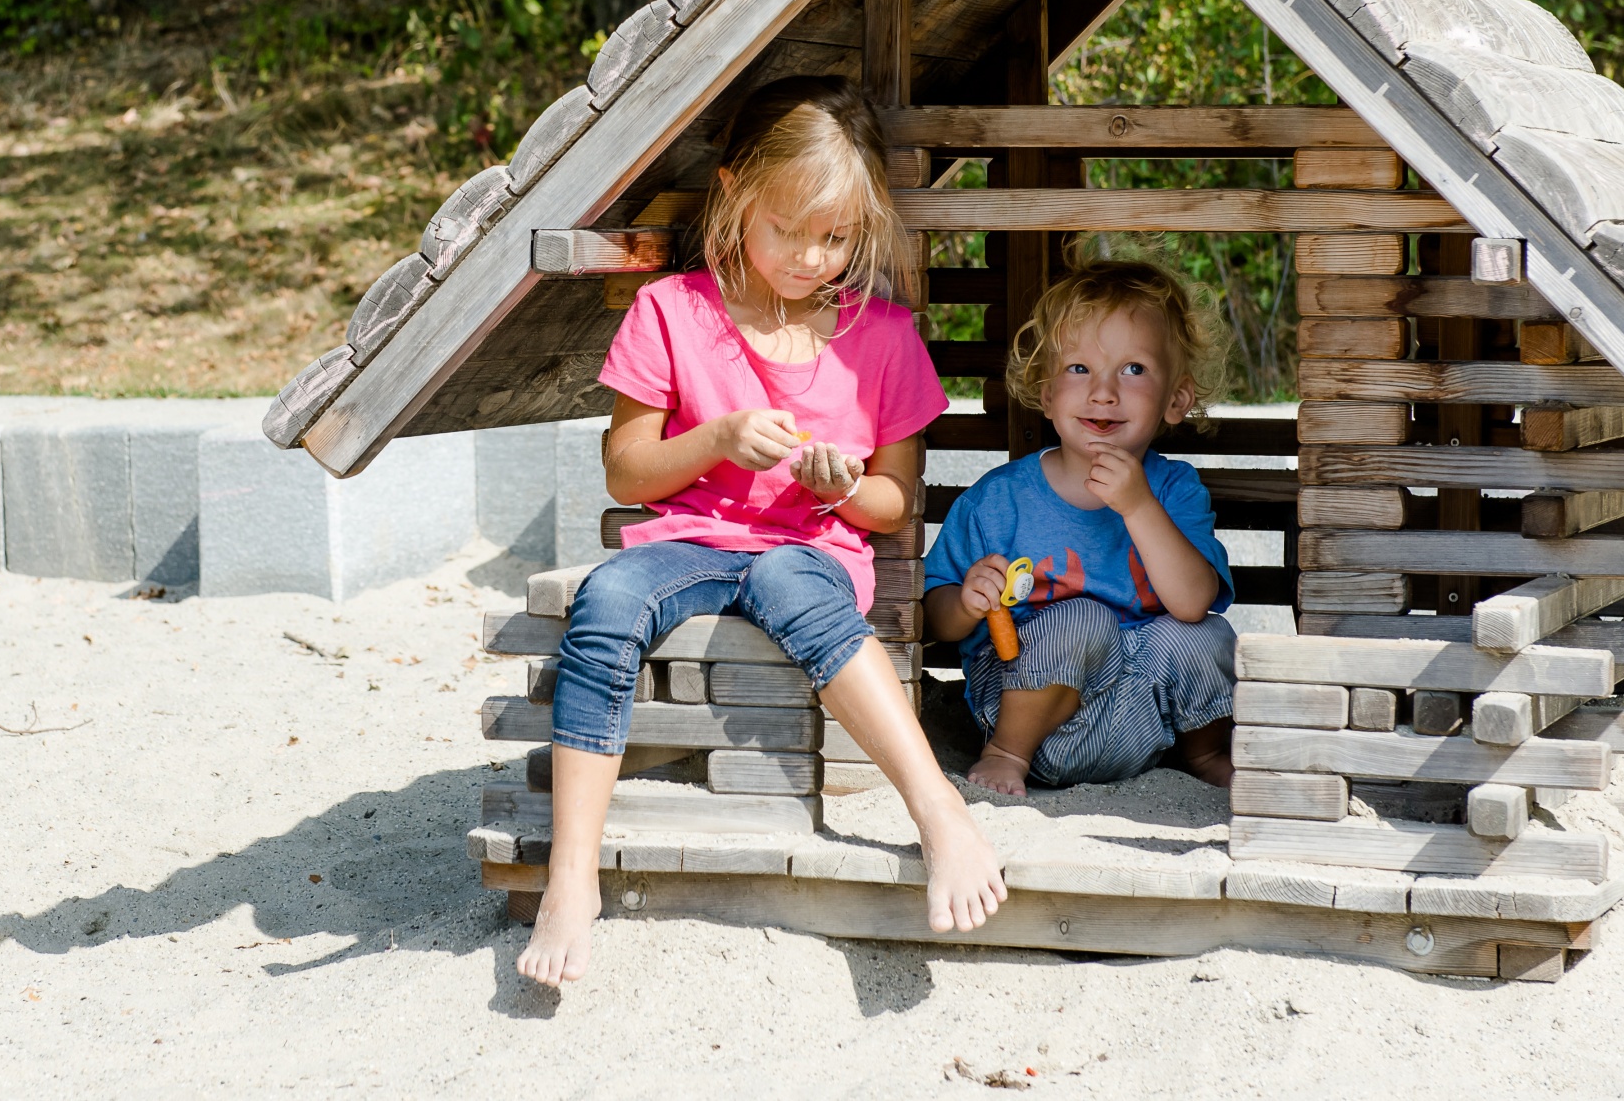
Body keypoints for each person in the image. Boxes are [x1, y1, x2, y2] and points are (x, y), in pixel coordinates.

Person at [517, 76, 1007, 987]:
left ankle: (940, 814)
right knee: (606, 602)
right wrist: (719, 437)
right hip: (688, 539)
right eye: (788, 230)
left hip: (811, 548)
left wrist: (845, 487)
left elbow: (897, 505)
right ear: (736, 193)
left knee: (797, 595)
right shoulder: (674, 311)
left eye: (835, 238)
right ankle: (570, 875)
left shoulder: (883, 337)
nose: (810, 258)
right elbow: (626, 470)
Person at [923, 258, 1237, 797]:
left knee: (1204, 634)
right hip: (1032, 712)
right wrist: (967, 600)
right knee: (1080, 617)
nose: (1104, 392)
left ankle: (1205, 752)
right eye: (1079, 369)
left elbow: (1192, 601)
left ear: (1177, 399)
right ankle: (1005, 755)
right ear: (1046, 394)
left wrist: (1138, 507)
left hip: (1142, 717)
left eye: (1134, 370)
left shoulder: (1172, 490)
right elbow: (934, 616)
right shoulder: (1000, 499)